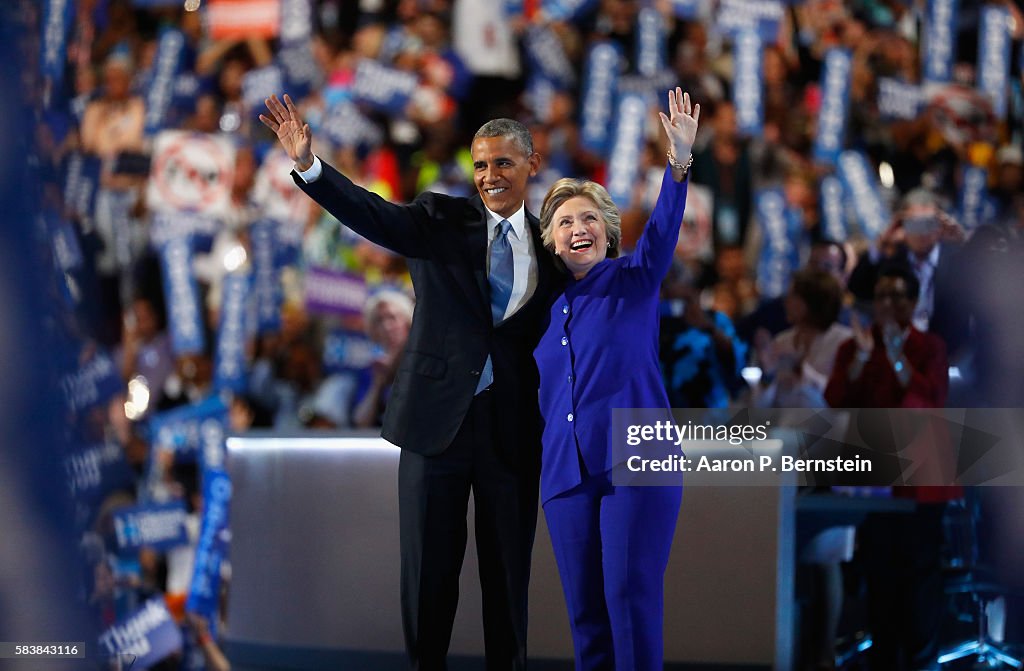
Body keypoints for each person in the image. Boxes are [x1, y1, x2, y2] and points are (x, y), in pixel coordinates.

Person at [260, 94, 559, 670]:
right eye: (480, 165)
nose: (490, 175)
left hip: (512, 431)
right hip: (434, 427)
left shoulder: (553, 244)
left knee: (507, 587)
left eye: (502, 163)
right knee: (429, 583)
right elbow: (372, 213)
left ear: (531, 164)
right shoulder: (441, 219)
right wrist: (310, 166)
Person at [533, 88, 698, 671]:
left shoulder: (635, 278)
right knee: (586, 618)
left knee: (629, 603)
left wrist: (678, 163)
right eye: (563, 222)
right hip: (564, 473)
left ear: (606, 230)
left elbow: (662, 231)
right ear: (550, 240)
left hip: (638, 459)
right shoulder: (537, 309)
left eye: (587, 219)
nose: (577, 228)